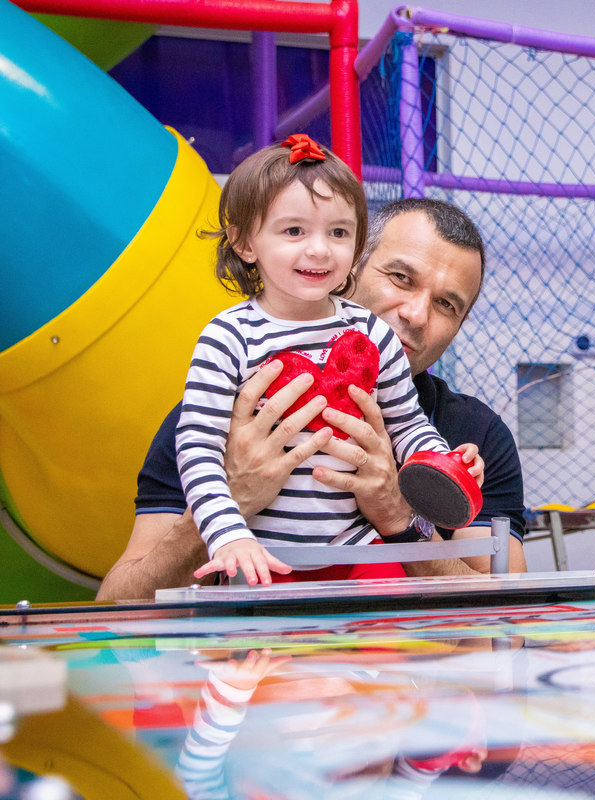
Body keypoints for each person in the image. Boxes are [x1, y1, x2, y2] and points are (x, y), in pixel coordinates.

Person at [96, 196, 527, 601]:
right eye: (400, 278)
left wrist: (399, 516)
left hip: (392, 652)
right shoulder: (223, 408)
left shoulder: (475, 434)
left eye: (447, 304)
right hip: (253, 644)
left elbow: (507, 617)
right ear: (348, 268)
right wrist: (230, 498)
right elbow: (117, 604)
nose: (416, 314)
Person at [176, 134, 482, 586]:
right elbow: (198, 448)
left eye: (338, 232)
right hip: (261, 552)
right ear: (244, 243)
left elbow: (407, 424)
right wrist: (227, 534)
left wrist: (444, 461)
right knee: (256, 633)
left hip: (357, 546)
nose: (320, 249)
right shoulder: (228, 337)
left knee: (392, 628)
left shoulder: (372, 333)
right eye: (294, 231)